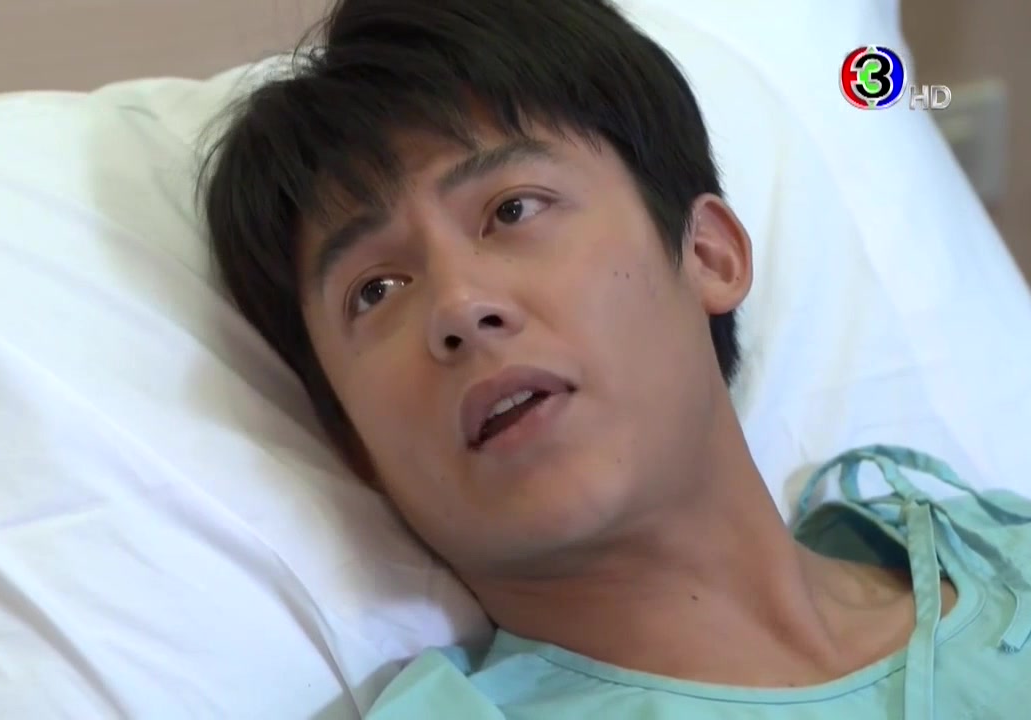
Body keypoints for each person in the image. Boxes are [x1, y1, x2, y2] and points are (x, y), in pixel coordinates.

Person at [198, 0, 1031, 717]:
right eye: (375, 290)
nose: (458, 307)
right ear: (356, 447)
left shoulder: (1002, 557)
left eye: (512, 209)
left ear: (707, 255)